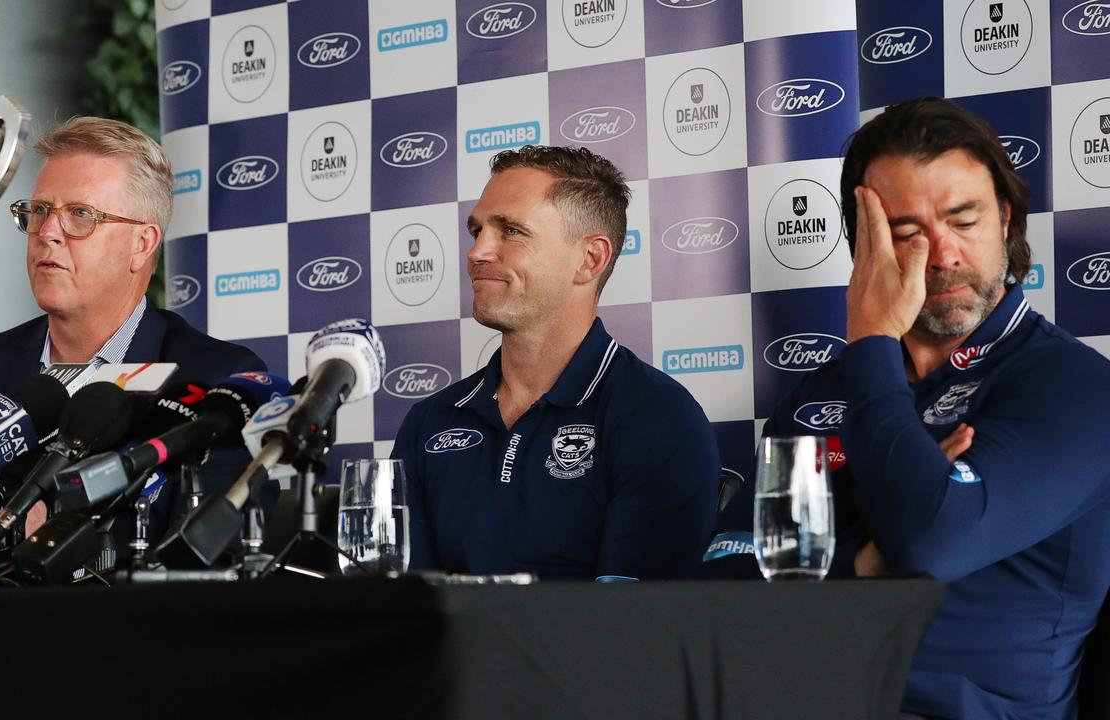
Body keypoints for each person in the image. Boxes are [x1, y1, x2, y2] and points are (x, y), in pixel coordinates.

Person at [699, 97, 1110, 718]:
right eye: (906, 233)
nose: (941, 256)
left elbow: (930, 544)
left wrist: (870, 338)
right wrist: (870, 559)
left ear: (1005, 219)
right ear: (863, 248)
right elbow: (721, 581)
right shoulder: (818, 398)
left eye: (963, 222)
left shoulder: (1071, 385)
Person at [0, 116, 264, 548]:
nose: (48, 232)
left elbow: (208, 557)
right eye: (40, 211)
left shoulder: (217, 379)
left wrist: (52, 534)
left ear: (141, 244)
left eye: (81, 215)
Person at [391, 145, 719, 581]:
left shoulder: (657, 417)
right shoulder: (429, 422)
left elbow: (639, 630)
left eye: (510, 231)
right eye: (477, 231)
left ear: (589, 260)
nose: (477, 252)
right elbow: (405, 608)